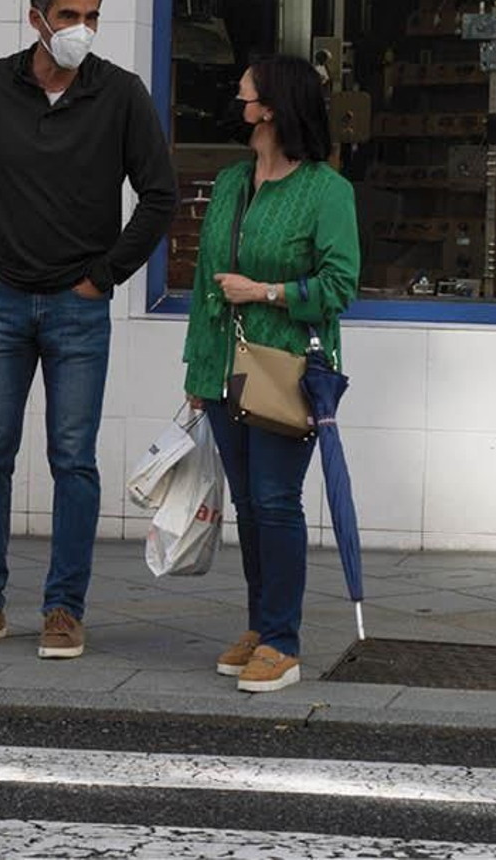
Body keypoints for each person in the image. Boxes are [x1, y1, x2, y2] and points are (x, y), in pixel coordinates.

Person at [0, 0, 178, 659]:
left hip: (77, 307)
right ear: (36, 18)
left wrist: (106, 275)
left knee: (74, 460)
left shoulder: (120, 94)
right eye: (68, 17)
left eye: (93, 16)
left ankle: (64, 609)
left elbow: (159, 194)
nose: (81, 30)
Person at [181, 54, 359, 693]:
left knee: (279, 503)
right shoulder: (231, 182)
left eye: (246, 96)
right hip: (227, 369)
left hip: (287, 368)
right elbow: (207, 284)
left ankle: (283, 640)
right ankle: (260, 627)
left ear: (274, 108)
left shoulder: (326, 191)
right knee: (252, 508)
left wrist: (265, 292)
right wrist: (199, 372)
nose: (238, 105)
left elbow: (340, 286)